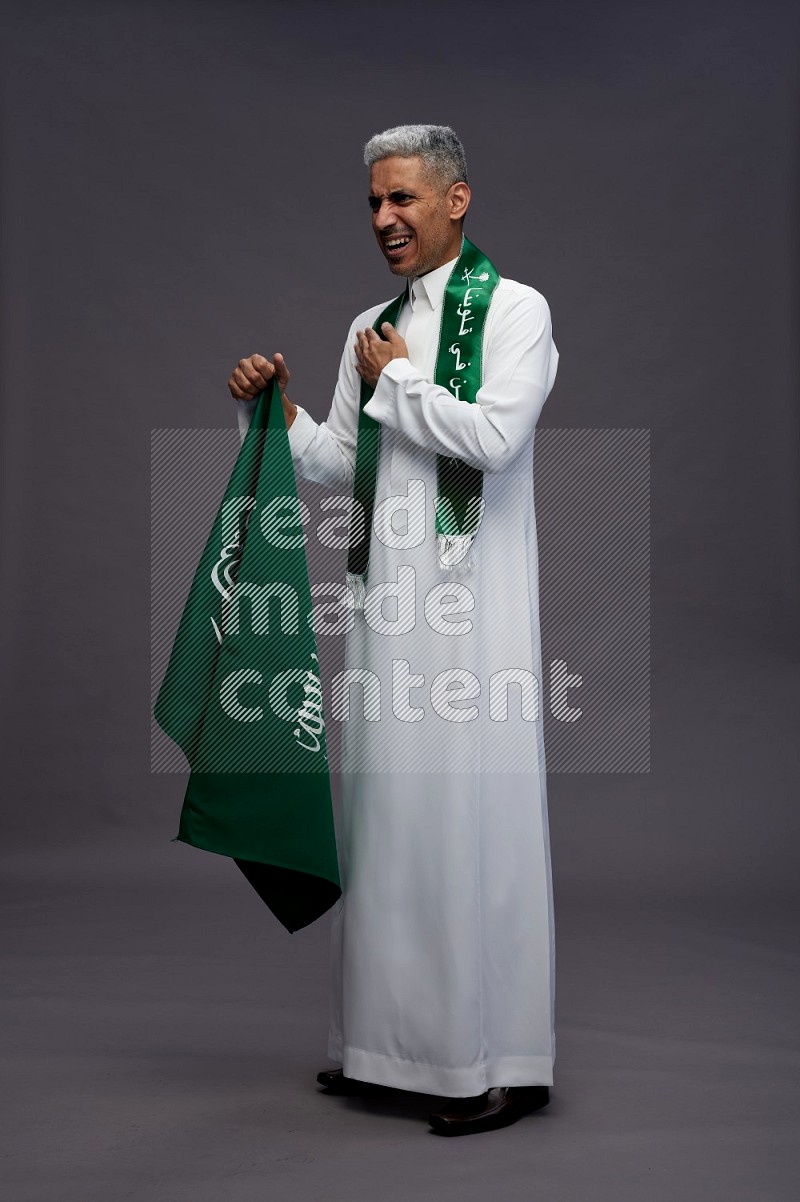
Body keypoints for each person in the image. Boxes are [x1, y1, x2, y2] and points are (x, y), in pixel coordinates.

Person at [228, 124, 560, 1136]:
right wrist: (275, 414)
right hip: (384, 610)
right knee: (387, 824)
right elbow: (338, 459)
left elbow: (496, 438)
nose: (382, 219)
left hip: (470, 619)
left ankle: (489, 1059)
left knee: (464, 826)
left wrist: (403, 381)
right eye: (372, 202)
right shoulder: (368, 326)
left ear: (454, 200)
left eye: (401, 199)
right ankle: (384, 1048)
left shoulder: (513, 310)